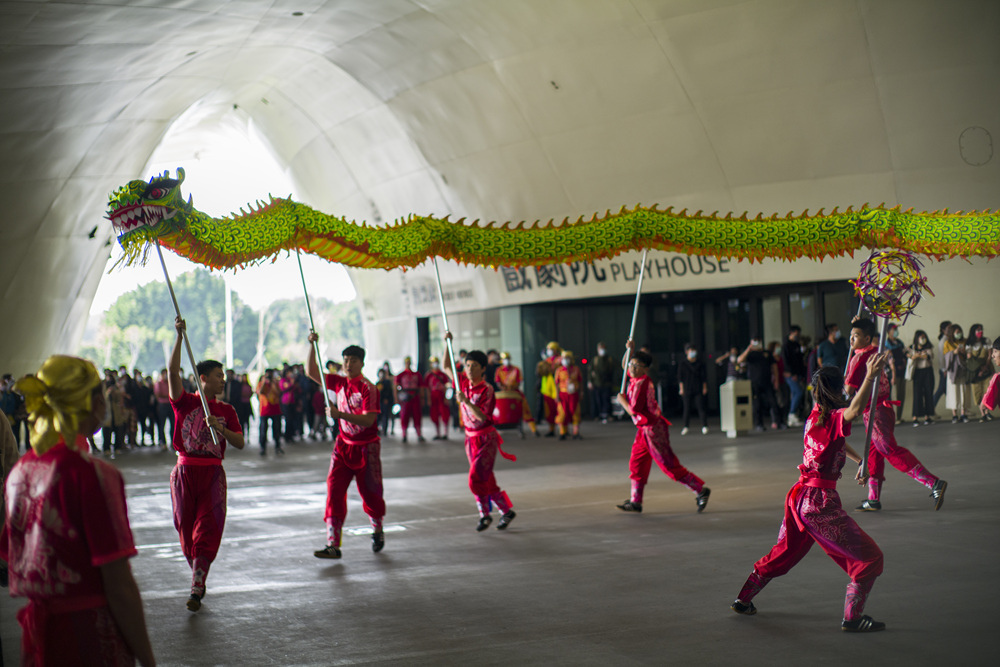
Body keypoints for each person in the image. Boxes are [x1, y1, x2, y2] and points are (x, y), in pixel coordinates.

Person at [1, 355, 155, 664]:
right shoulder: (93, 474)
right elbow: (119, 585)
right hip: (90, 635)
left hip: (39, 638)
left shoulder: (21, 472)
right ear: (96, 401)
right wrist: (148, 659)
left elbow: (11, 551)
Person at [730, 352, 888, 633]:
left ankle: (743, 600)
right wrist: (870, 378)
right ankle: (852, 618)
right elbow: (854, 410)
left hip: (800, 499)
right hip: (819, 505)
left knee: (782, 554)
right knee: (870, 557)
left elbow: (836, 441)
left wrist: (858, 460)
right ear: (837, 390)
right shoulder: (834, 417)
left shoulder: (816, 416)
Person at [168, 317, 245, 612]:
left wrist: (221, 428)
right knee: (186, 531)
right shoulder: (184, 402)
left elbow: (239, 442)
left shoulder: (226, 410)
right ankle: (197, 572)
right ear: (203, 379)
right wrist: (179, 337)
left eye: (223, 376)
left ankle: (197, 584)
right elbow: (173, 371)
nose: (223, 380)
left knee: (208, 528)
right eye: (217, 375)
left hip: (212, 474)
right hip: (184, 473)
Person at [847, 318, 946, 512]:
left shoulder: (859, 359)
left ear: (867, 338)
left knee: (889, 451)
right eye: (850, 335)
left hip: (875, 413)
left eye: (855, 336)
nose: (851, 339)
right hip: (882, 410)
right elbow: (873, 340)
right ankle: (873, 499)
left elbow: (848, 390)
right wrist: (863, 324)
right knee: (874, 454)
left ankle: (933, 483)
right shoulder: (874, 351)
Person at [306, 333, 385, 558]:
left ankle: (377, 528)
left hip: (366, 448)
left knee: (370, 493)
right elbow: (312, 371)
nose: (348, 364)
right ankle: (333, 543)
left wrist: (339, 414)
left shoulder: (368, 388)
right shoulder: (338, 381)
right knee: (334, 491)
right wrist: (312, 345)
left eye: (353, 360)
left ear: (362, 363)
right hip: (343, 446)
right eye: (346, 360)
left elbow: (369, 420)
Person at [616, 340, 710, 514]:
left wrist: (621, 401)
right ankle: (636, 501)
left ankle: (700, 489)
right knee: (636, 464)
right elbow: (625, 366)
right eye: (632, 364)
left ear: (646, 369)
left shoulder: (642, 382)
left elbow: (633, 409)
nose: (632, 368)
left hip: (653, 430)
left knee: (668, 466)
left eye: (637, 366)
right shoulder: (634, 377)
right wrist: (629, 350)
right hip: (643, 430)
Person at [443, 334, 517, 531]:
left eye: (474, 365)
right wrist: (446, 343)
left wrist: (465, 401)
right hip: (470, 439)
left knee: (476, 478)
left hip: (486, 439)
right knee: (487, 479)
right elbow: (446, 367)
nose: (469, 369)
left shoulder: (487, 389)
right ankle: (506, 511)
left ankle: (484, 514)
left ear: (483, 369)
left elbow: (483, 417)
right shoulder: (461, 383)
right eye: (467, 365)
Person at [738, 337, 780, 431]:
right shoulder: (750, 354)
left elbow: (774, 367)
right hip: (754, 383)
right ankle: (759, 424)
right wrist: (749, 349)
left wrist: (776, 380)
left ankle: (779, 422)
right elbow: (739, 360)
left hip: (767, 382)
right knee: (757, 404)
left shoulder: (767, 353)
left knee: (773, 401)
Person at [495, 352, 538, 435]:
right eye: (504, 359)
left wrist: (513, 388)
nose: (506, 361)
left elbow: (519, 381)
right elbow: (498, 382)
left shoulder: (516, 369)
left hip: (515, 392)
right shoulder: (499, 370)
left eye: (507, 359)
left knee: (525, 409)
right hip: (504, 393)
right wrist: (503, 387)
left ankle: (534, 429)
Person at [964, 324, 994, 422]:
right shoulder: (969, 344)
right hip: (975, 372)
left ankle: (987, 412)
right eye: (977, 330)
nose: (980, 331)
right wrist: (979, 369)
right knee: (977, 393)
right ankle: (982, 413)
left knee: (987, 391)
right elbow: (970, 359)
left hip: (987, 369)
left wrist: (985, 367)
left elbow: (989, 356)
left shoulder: (986, 341)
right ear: (973, 332)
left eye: (981, 329)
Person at [678, 344, 709, 435]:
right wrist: (681, 389)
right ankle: (686, 426)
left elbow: (703, 377)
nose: (692, 352)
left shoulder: (700, 363)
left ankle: (704, 426)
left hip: (698, 388)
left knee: (701, 407)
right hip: (687, 388)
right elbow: (680, 378)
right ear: (686, 352)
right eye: (690, 350)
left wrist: (704, 387)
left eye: (693, 350)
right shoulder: (683, 364)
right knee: (686, 408)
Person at [942, 323, 970, 423]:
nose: (959, 334)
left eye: (960, 332)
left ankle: (963, 413)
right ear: (952, 333)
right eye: (957, 332)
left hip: (962, 369)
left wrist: (963, 352)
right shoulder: (947, 343)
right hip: (953, 371)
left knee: (963, 391)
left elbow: (968, 354)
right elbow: (945, 357)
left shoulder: (965, 341)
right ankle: (954, 414)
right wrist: (953, 352)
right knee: (953, 392)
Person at [395, 356, 426, 444]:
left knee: (417, 415)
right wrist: (397, 398)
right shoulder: (400, 374)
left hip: (415, 396)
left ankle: (419, 434)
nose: (408, 363)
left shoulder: (416, 374)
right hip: (405, 398)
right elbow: (395, 387)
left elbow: (421, 387)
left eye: (409, 362)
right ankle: (404, 434)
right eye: (406, 362)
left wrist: (422, 398)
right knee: (404, 416)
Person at [907, 330, 935, 427]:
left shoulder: (928, 347)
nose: (923, 339)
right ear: (917, 338)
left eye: (924, 337)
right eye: (921, 338)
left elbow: (930, 356)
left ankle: (927, 416)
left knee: (928, 393)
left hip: (927, 371)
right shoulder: (912, 347)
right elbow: (908, 355)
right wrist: (915, 355)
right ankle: (915, 417)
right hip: (917, 372)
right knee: (917, 394)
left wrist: (924, 355)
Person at [554, 350, 583, 440]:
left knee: (575, 412)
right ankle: (563, 432)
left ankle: (576, 432)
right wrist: (557, 395)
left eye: (567, 358)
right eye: (564, 358)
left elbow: (580, 381)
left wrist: (581, 392)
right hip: (563, 394)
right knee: (562, 413)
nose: (565, 360)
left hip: (573, 394)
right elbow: (556, 383)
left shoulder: (576, 369)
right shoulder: (559, 370)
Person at [782, 326, 807, 426]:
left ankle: (793, 415)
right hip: (791, 374)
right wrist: (792, 373)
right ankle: (791, 414)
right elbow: (786, 361)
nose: (798, 335)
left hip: (798, 373)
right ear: (791, 333)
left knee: (795, 393)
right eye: (796, 333)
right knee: (798, 392)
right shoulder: (786, 346)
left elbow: (800, 360)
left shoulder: (796, 345)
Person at [536, 342, 561, 437]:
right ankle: (551, 429)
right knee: (549, 410)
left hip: (557, 389)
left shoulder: (560, 360)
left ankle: (563, 429)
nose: (550, 351)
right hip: (546, 389)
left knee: (559, 410)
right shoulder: (546, 360)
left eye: (551, 349)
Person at [883, 324, 907, 423]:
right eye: (894, 329)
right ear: (888, 332)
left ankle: (899, 416)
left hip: (902, 372)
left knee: (901, 394)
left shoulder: (900, 342)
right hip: (893, 373)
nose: (896, 331)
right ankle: (893, 417)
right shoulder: (886, 344)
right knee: (894, 395)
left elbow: (905, 353)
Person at [256, 369, 283, 455]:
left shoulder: (275, 383)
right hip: (264, 410)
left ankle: (278, 446)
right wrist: (264, 381)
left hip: (275, 410)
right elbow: (260, 392)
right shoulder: (261, 383)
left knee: (277, 429)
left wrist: (273, 383)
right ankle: (263, 448)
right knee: (263, 430)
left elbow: (279, 392)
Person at [425, 356, 453, 440]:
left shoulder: (443, 375)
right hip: (433, 397)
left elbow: (448, 386)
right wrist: (428, 399)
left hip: (442, 396)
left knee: (445, 415)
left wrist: (446, 397)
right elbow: (427, 388)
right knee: (434, 415)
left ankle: (445, 433)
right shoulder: (429, 375)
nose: (435, 364)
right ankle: (438, 433)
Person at [589, 342, 614, 423]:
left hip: (607, 383)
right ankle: (597, 415)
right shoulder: (595, 360)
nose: (602, 350)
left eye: (604, 348)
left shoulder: (609, 359)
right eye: (601, 348)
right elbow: (590, 371)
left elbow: (613, 371)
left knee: (606, 399)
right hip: (597, 383)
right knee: (597, 400)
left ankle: (607, 415)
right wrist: (590, 382)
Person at [931, 320, 952, 412]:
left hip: (948, 369)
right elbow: (941, 357)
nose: (951, 330)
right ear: (943, 330)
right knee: (941, 390)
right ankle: (930, 409)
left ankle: (930, 410)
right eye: (949, 328)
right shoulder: (943, 341)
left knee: (946, 390)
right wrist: (944, 369)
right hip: (945, 370)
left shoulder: (949, 339)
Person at [978, 338, 1000, 413]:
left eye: (995, 351)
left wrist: (984, 402)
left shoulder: (997, 378)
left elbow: (985, 404)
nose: (993, 355)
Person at [375, 368, 395, 436]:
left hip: (385, 402)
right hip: (379, 402)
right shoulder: (378, 383)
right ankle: (378, 429)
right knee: (378, 417)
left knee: (385, 416)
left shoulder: (387, 382)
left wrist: (387, 399)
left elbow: (389, 391)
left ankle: (385, 430)